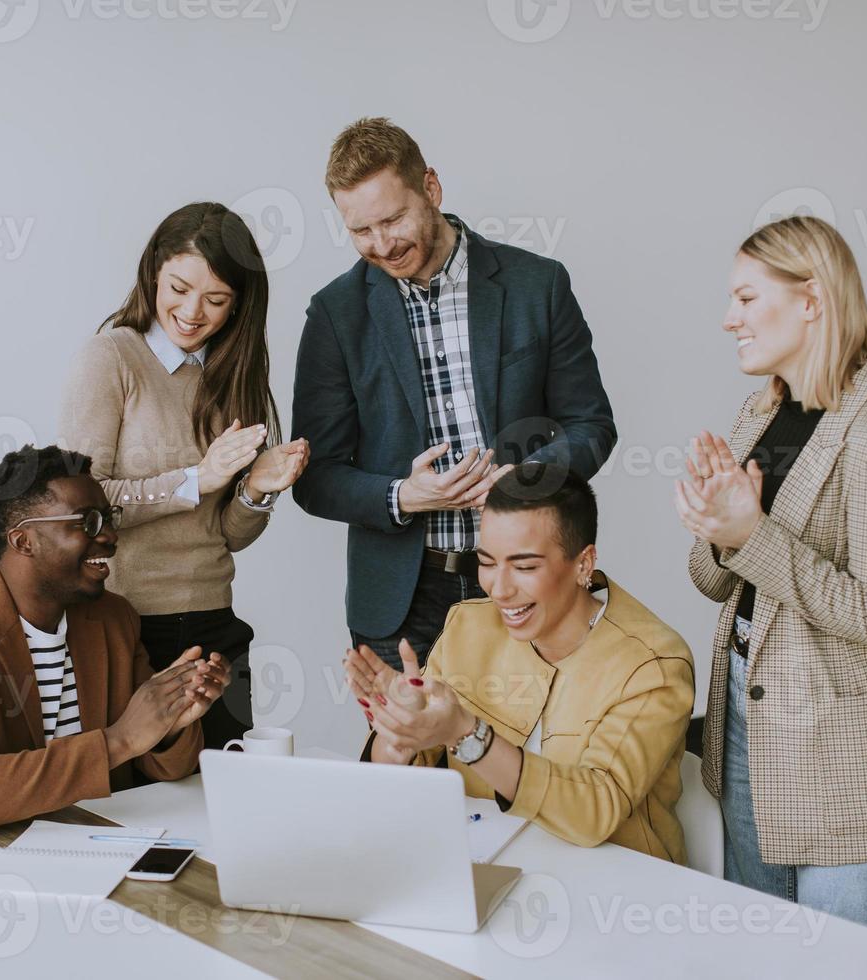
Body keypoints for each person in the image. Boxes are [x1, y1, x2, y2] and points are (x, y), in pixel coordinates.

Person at [675, 215, 867, 931]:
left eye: (747, 299)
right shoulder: (757, 415)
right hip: (745, 713)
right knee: (766, 948)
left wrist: (750, 535)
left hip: (841, 744)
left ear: (813, 301)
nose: (729, 320)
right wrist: (715, 530)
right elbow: (712, 580)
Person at [292, 117, 617, 670]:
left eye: (393, 219)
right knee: (409, 758)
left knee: (529, 758)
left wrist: (526, 481)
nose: (382, 244)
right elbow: (316, 477)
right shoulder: (335, 315)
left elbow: (591, 426)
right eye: (360, 231)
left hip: (529, 587)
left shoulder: (538, 284)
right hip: (402, 603)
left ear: (432, 189)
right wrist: (405, 496)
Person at [346, 465, 694, 862]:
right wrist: (399, 735)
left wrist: (467, 734)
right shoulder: (469, 625)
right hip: (492, 868)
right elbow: (399, 775)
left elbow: (596, 811)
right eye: (487, 561)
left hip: (619, 885)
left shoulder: (654, 664)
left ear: (583, 563)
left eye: (525, 566)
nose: (500, 588)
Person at [60, 203, 308, 749]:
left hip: (216, 622)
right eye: (178, 287)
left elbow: (228, 536)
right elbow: (81, 506)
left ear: (239, 305)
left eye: (216, 300)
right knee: (135, 807)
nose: (193, 312)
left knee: (225, 795)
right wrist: (197, 476)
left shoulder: (236, 376)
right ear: (153, 272)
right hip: (127, 624)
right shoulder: (111, 359)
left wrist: (255, 491)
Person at [0, 445, 229, 838]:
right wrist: (118, 741)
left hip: (96, 845)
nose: (110, 534)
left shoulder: (112, 618)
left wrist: (170, 722)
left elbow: (167, 770)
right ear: (23, 541)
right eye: (88, 522)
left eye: (108, 516)